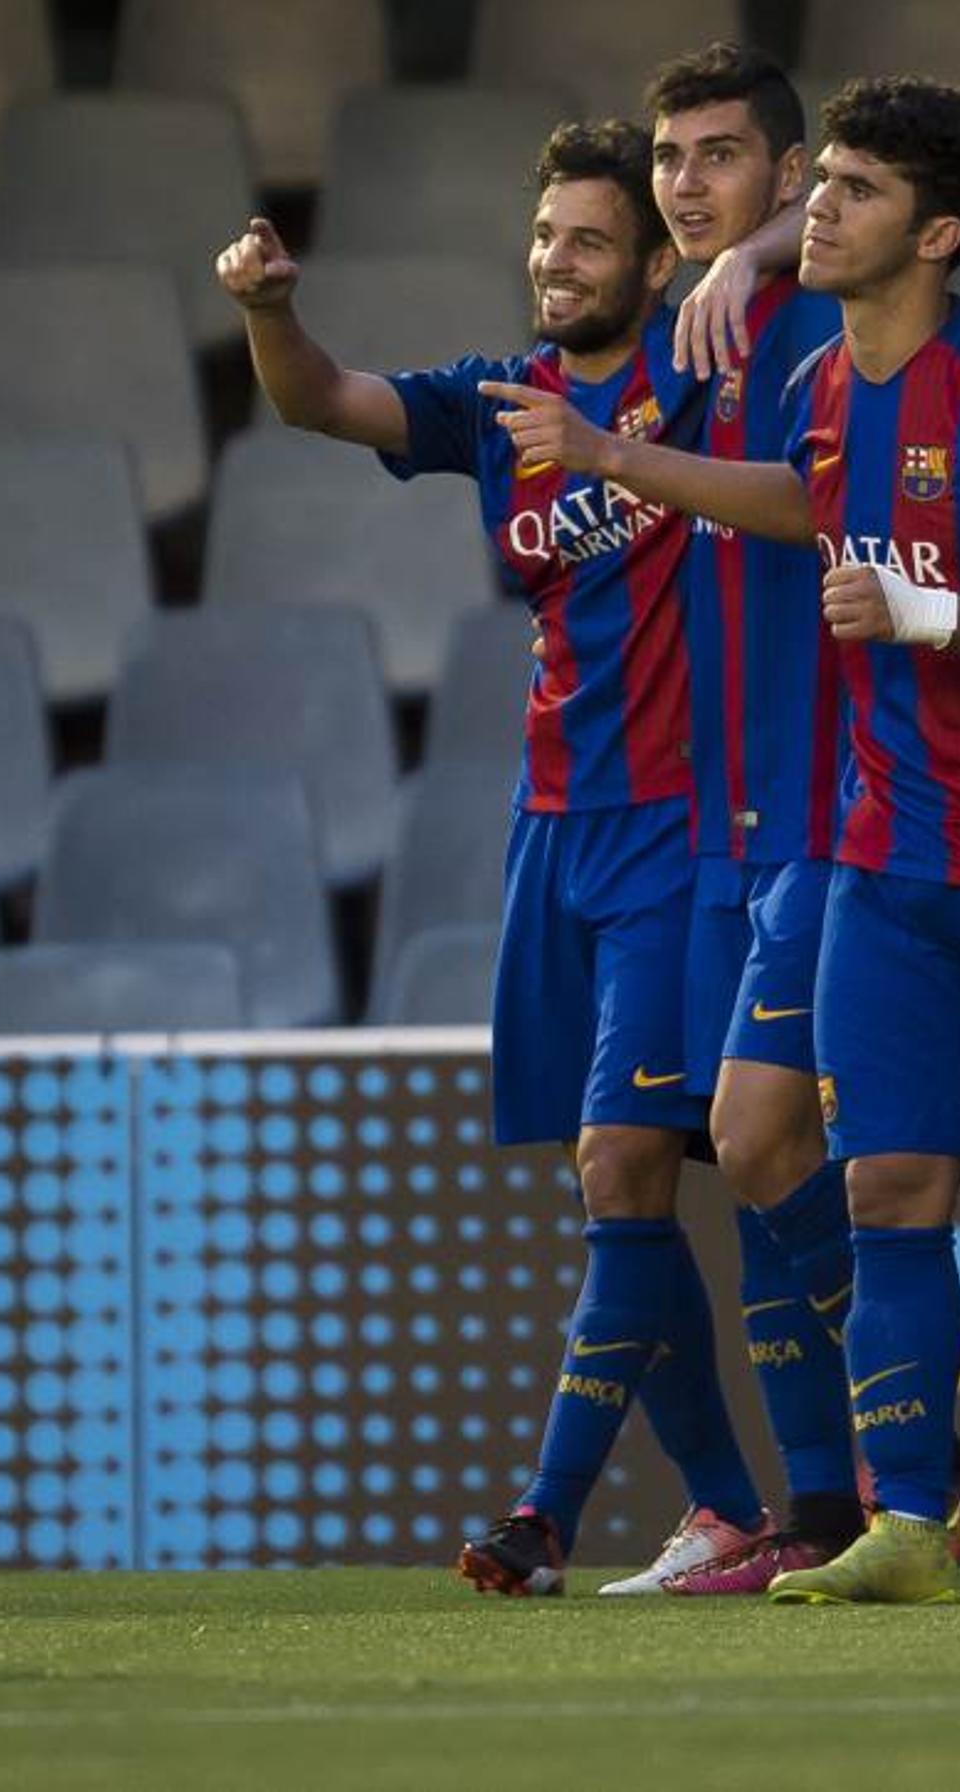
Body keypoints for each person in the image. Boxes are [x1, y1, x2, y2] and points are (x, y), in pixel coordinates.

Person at [479, 78, 960, 1606]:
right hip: (887, 865)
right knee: (885, 1188)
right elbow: (804, 495)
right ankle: (907, 1521)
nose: (813, 210)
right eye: (818, 181)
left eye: (853, 191)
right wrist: (619, 457)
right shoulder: (824, 386)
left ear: (941, 232)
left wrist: (933, 617)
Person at [215, 120, 770, 1597]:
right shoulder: (497, 400)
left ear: (656, 262)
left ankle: (543, 1516)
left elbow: (806, 245)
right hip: (553, 830)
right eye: (543, 239)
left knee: (622, 1159)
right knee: (622, 1199)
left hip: (683, 824)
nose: (555, 262)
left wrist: (753, 242)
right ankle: (730, 1508)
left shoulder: (710, 371)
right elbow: (324, 401)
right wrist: (271, 311)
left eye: (588, 240)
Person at [634, 44, 960, 1595]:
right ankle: (853, 1493)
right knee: (746, 1149)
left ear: (800, 184)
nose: (689, 183)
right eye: (672, 157)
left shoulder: (817, 307)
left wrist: (773, 249)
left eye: (729, 158)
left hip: (857, 809)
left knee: (780, 1141)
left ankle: (905, 1477)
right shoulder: (680, 328)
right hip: (718, 812)